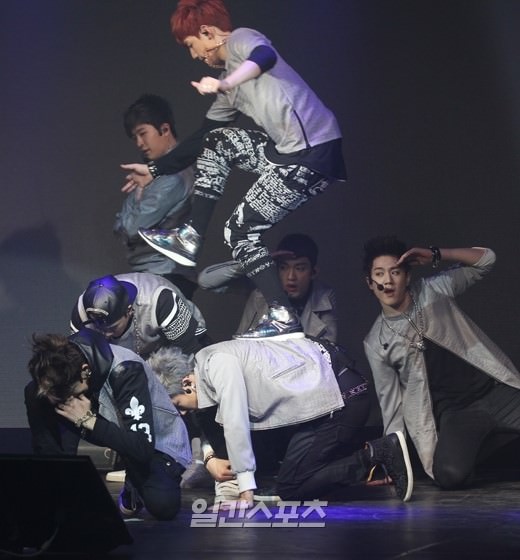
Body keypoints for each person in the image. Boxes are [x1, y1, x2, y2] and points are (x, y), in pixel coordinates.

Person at [121, 0, 347, 340]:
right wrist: (155, 169)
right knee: (216, 141)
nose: (194, 55)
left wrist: (226, 84)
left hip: (314, 153)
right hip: (284, 153)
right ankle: (190, 236)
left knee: (239, 231)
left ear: (207, 33)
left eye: (191, 46)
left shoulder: (241, 38)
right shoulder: (227, 84)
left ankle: (282, 315)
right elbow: (202, 137)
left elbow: (264, 57)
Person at [170, 336, 413, 508]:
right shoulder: (208, 361)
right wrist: (210, 458)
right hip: (329, 398)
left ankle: (377, 453)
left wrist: (245, 493)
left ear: (186, 383)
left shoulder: (216, 365)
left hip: (342, 399)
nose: (182, 413)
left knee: (291, 488)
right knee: (289, 477)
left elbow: (236, 420)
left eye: (178, 405)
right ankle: (370, 457)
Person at [362, 236, 520, 490]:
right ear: (370, 283)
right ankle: (495, 439)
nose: (388, 281)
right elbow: (391, 406)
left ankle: (502, 435)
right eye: (379, 274)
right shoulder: (376, 341)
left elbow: (486, 260)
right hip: (458, 413)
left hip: (496, 392)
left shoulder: (432, 290)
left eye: (396, 272)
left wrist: (437, 254)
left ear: (407, 276)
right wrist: (392, 462)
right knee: (449, 475)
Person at [25, 328, 191, 520]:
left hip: (155, 443)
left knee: (163, 504)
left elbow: (142, 447)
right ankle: (53, 478)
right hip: (104, 423)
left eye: (69, 394)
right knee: (35, 393)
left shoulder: (126, 370)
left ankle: (134, 482)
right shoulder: (63, 361)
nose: (65, 400)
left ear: (85, 371)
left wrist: (89, 420)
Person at [113, 94, 197, 300]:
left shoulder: (173, 177)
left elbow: (131, 228)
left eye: (143, 133)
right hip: (155, 275)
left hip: (166, 276)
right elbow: (118, 227)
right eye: (135, 138)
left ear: (165, 129)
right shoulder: (153, 174)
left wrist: (137, 196)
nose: (139, 143)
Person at [70, 272, 208, 358]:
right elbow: (82, 358)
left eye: (112, 328)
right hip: (135, 351)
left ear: (129, 311)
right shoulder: (81, 312)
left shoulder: (159, 300)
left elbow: (191, 350)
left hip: (178, 340)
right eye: (99, 328)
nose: (106, 335)